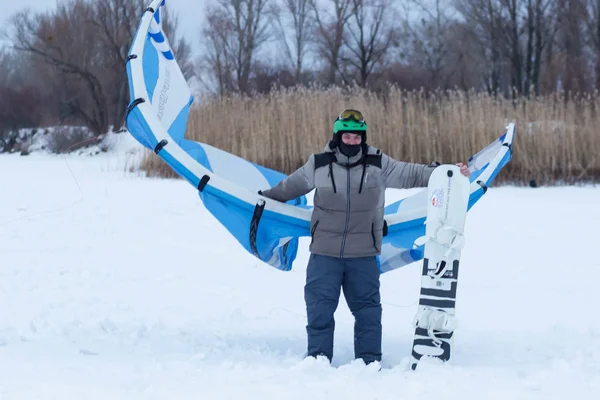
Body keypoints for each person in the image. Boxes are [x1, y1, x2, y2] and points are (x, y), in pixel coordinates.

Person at [259, 109, 470, 365]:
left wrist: (447, 173)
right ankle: (318, 359)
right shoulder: (319, 164)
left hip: (364, 255)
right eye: (347, 137)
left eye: (357, 137)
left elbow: (412, 173)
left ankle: (369, 362)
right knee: (319, 311)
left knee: (368, 313)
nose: (352, 142)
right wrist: (261, 199)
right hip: (325, 254)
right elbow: (288, 188)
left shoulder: (378, 164)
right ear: (338, 137)